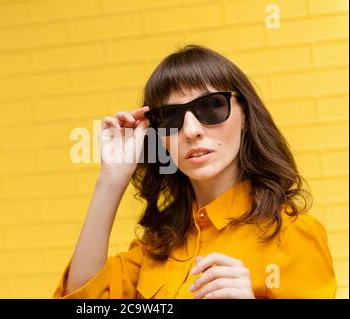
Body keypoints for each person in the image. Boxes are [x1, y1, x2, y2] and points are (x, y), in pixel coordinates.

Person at [53, 44, 336, 299]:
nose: (191, 131)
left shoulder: (292, 235)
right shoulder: (157, 245)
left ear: (246, 116)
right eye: (170, 117)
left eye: (211, 107)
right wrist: (111, 177)